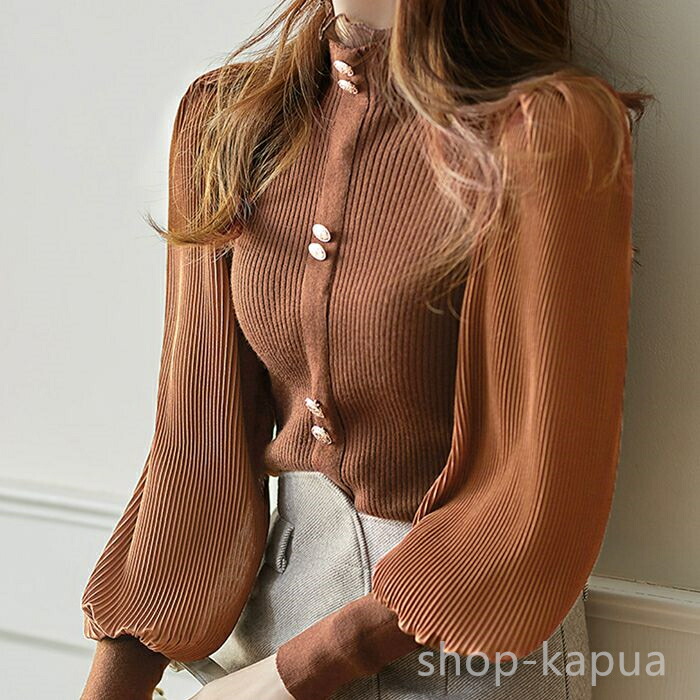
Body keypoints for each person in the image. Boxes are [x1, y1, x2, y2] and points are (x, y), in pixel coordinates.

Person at [79, 0, 652, 698]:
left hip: (469, 655)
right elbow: (192, 450)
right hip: (267, 631)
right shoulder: (225, 121)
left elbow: (538, 491)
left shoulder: (544, 131)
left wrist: (302, 670)